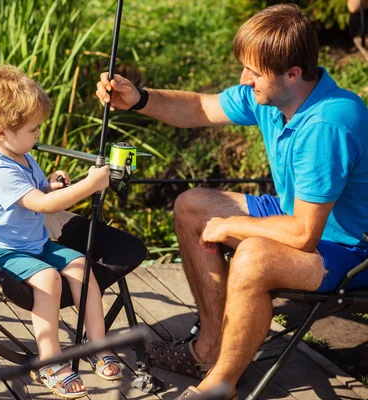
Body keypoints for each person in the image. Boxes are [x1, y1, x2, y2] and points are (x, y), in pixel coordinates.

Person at [96, 3, 368, 399]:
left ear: (292, 73)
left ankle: (221, 382)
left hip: (350, 250)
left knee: (255, 256)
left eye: (253, 73)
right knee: (192, 206)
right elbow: (199, 106)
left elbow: (304, 234)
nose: (244, 79)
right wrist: (138, 98)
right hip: (300, 216)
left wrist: (230, 226)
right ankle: (208, 348)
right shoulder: (274, 98)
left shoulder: (328, 124)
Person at [0, 64, 122, 399]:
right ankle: (50, 361)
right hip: (3, 249)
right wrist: (89, 185)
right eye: (33, 129)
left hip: (35, 243)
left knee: (81, 266)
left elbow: (41, 193)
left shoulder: (22, 155)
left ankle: (97, 344)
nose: (38, 134)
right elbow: (42, 206)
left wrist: (52, 183)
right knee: (49, 279)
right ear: (1, 133)